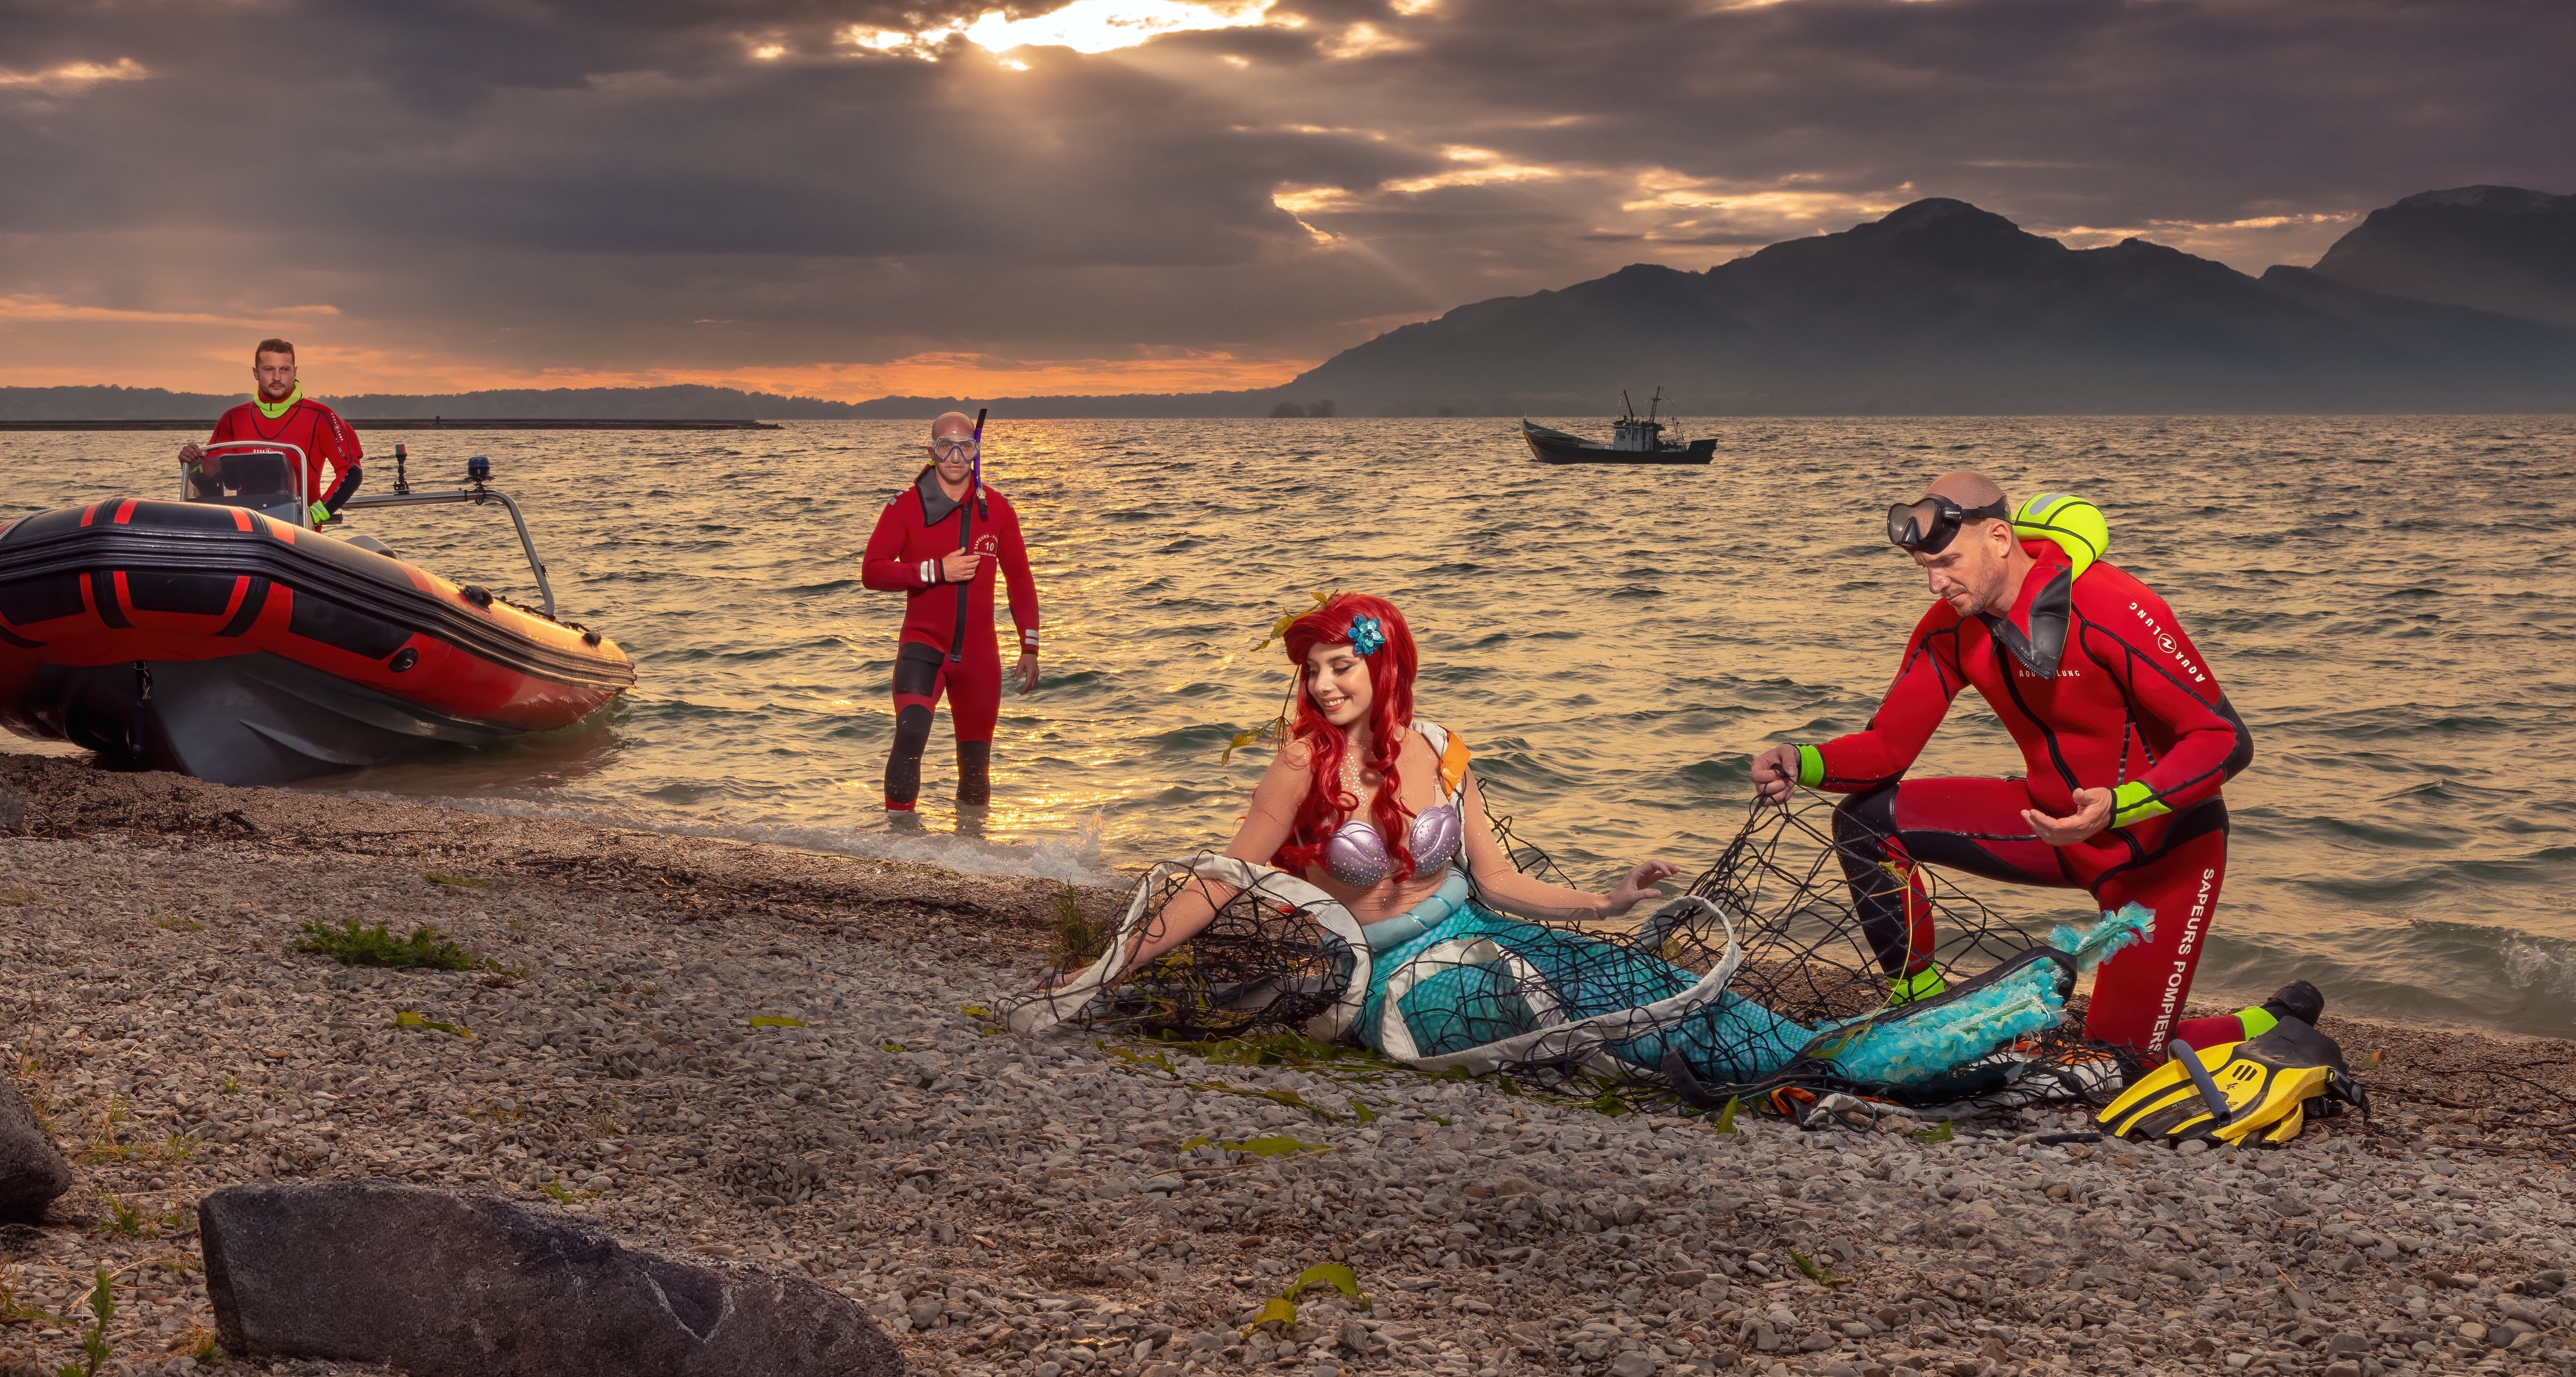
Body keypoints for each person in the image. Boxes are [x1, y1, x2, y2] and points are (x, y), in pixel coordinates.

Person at [1018, 594, 2124, 1092]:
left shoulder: (1443, 745)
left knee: (1644, 971)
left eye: (1343, 663)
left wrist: (1607, 894)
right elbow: (1222, 881)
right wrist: (1100, 974)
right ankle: (1813, 1074)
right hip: (1394, 983)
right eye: (1311, 668)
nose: (1324, 681)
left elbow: (1497, 879)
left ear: (1385, 665)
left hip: (1484, 928)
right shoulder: (1300, 766)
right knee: (1595, 1011)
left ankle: (1828, 1056)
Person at [1752, 473, 2310, 1061]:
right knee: (1866, 823)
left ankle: (2268, 1022)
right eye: (1922, 567)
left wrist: (2120, 804)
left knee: (2120, 1056)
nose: (1933, 582)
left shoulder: (2111, 605)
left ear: (1997, 537)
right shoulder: (1949, 626)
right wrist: (1804, 761)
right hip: (2051, 826)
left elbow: (2224, 741)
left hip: (2160, 848)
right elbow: (1889, 746)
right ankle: (1917, 1001)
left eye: (1945, 562)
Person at [859, 411, 1039, 818]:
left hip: (979, 658)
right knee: (911, 735)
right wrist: (934, 570)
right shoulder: (905, 507)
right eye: (945, 446)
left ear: (976, 452)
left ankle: (972, 855)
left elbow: (1021, 581)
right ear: (931, 451)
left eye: (965, 447)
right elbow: (872, 570)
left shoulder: (999, 510)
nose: (955, 456)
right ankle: (896, 846)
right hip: (924, 646)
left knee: (976, 767)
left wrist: (1030, 646)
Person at [177, 338, 364, 526]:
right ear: (256, 373)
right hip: (248, 530)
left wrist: (314, 515)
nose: (277, 377)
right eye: (269, 370)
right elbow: (210, 474)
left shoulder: (322, 417)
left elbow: (351, 471)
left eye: (284, 369)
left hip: (299, 533)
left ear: (295, 371)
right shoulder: (233, 418)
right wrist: (192, 461)